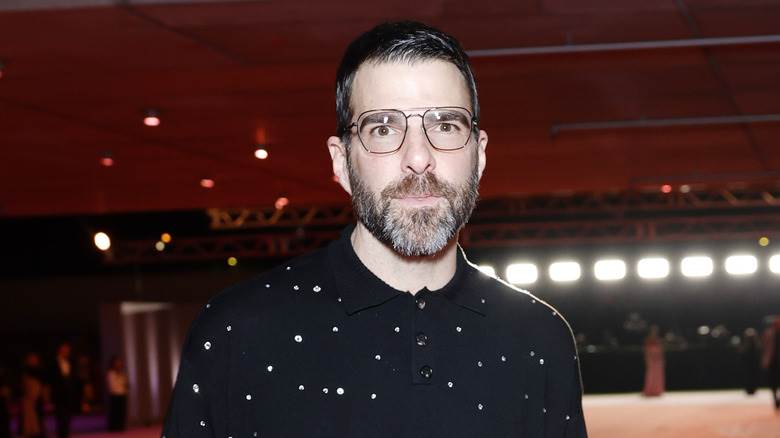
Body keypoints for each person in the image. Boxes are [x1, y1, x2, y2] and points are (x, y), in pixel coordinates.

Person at [162, 21, 586, 438]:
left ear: (480, 154)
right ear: (341, 162)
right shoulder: (236, 330)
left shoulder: (540, 337)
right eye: (383, 128)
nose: (418, 158)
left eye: (445, 125)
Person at [49, 342, 77, 438]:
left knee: (68, 416)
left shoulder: (71, 362)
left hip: (69, 394)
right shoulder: (53, 363)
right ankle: (61, 435)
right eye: (65, 350)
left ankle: (66, 434)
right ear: (60, 351)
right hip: (58, 394)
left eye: (68, 351)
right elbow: (51, 379)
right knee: (60, 417)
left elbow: (73, 377)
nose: (67, 352)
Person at [20, 353, 46, 438]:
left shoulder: (40, 372)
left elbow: (42, 386)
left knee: (38, 419)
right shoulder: (26, 373)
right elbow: (25, 386)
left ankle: (37, 432)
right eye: (31, 359)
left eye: (35, 359)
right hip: (29, 400)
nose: (33, 361)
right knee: (29, 418)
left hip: (38, 401)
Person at [105, 356, 128, 431]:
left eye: (119, 363)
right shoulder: (110, 374)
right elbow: (112, 386)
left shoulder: (122, 373)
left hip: (122, 394)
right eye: (116, 363)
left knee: (122, 412)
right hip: (114, 395)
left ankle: (120, 426)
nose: (118, 365)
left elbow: (125, 384)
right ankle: (113, 427)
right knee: (114, 412)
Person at [762, 317, 780, 410]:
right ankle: (775, 399)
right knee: (773, 382)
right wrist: (765, 361)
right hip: (773, 362)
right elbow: (766, 348)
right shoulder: (768, 333)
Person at [642, 325, 665, 397]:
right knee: (651, 375)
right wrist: (647, 358)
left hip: (658, 359)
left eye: (655, 330)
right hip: (651, 359)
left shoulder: (658, 340)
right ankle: (649, 391)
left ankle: (657, 391)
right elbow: (646, 351)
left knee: (658, 375)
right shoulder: (648, 340)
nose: (654, 332)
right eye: (653, 330)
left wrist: (662, 359)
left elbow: (661, 351)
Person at [739, 328, 761, 396]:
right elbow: (742, 353)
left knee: (754, 376)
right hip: (747, 364)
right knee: (747, 376)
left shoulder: (757, 345)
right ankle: (748, 389)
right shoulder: (745, 345)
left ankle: (753, 389)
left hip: (754, 364)